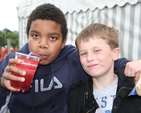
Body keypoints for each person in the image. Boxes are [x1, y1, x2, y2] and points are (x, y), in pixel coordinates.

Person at [0, 3, 136, 113]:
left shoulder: (74, 58)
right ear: (28, 35)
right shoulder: (11, 63)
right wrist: (2, 86)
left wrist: (135, 69)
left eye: (53, 38)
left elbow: (113, 62)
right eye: (35, 36)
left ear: (63, 42)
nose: (42, 44)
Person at [67, 23, 141, 113]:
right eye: (83, 53)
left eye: (97, 51)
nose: (89, 58)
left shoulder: (134, 88)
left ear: (115, 53)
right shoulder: (75, 95)